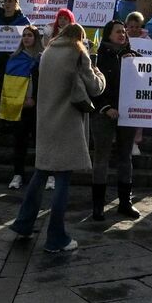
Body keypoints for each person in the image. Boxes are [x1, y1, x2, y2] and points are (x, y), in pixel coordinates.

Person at [10, 15, 103, 253]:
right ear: (79, 38)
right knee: (62, 178)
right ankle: (56, 237)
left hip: (46, 120)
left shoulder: (48, 51)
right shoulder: (78, 52)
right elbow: (94, 87)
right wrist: (98, 72)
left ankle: (23, 223)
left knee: (40, 173)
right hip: (67, 122)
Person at [89, 20, 140, 219]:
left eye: (124, 32)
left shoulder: (134, 57)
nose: (123, 35)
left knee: (125, 157)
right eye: (118, 32)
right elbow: (91, 85)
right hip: (104, 114)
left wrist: (134, 64)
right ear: (108, 34)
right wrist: (105, 107)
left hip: (127, 114)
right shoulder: (97, 57)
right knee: (101, 157)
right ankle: (98, 205)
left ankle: (125, 202)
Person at [0, 25, 42, 189]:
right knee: (19, 142)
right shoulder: (14, 58)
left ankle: (46, 174)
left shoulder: (43, 58)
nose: (26, 38)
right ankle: (18, 174)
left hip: (39, 107)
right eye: (24, 35)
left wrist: (36, 99)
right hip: (21, 107)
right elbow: (9, 86)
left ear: (36, 38)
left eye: (30, 35)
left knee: (41, 142)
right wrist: (23, 100)